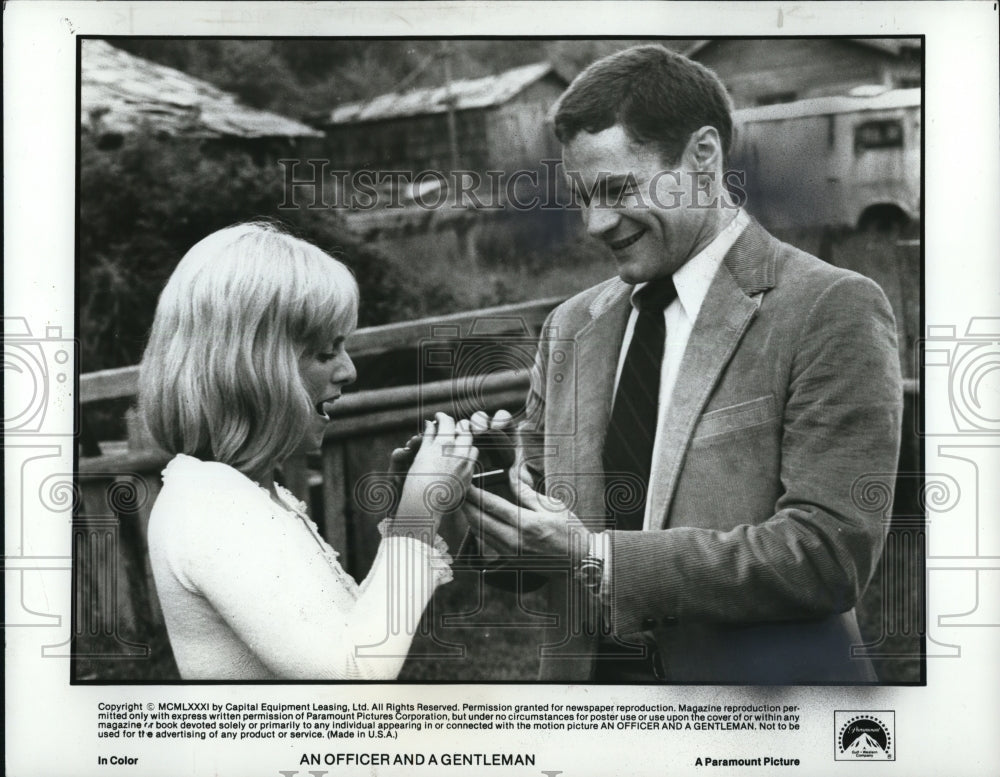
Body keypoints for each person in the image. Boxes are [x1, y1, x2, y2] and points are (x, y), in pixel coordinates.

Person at [465, 45, 903, 683]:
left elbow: (827, 557)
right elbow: (541, 557)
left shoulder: (830, 308)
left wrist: (597, 558)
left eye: (617, 189)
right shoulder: (570, 327)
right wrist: (481, 498)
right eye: (583, 196)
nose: (594, 223)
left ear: (703, 156)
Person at [140, 223, 476, 680]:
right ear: (254, 371)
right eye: (325, 353)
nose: (349, 370)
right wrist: (418, 515)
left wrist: (410, 513)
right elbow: (350, 679)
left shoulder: (241, 495)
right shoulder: (209, 508)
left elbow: (349, 637)